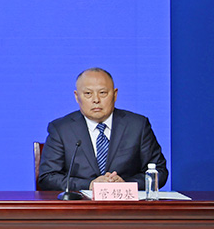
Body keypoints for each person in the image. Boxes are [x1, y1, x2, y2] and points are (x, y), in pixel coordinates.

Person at [37, 68, 168, 191]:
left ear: (115, 95)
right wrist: (90, 185)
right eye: (88, 94)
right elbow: (47, 177)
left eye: (103, 93)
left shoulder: (137, 125)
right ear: (77, 96)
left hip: (125, 204)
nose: (96, 100)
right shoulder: (61, 129)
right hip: (80, 204)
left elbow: (160, 172)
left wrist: (126, 185)